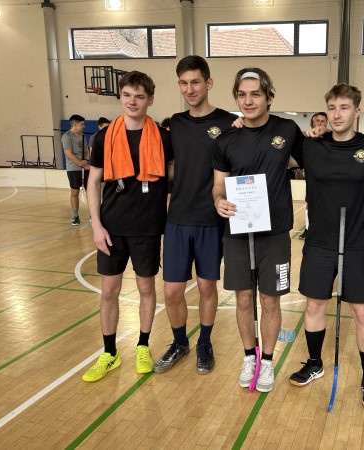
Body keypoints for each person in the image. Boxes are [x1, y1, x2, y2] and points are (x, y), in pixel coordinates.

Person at [288, 84, 364, 409]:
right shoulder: (311, 146)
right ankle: (315, 363)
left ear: (357, 111)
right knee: (314, 306)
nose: (337, 114)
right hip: (319, 243)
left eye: (344, 107)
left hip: (357, 245)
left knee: (363, 313)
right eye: (332, 108)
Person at [212, 67, 304, 392]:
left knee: (270, 300)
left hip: (275, 233)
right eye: (242, 95)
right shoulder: (226, 139)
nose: (248, 101)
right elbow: (218, 186)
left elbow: (311, 158)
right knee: (242, 298)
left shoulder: (287, 129)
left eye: (255, 94)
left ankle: (267, 361)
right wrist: (218, 201)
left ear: (268, 97)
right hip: (237, 232)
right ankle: (248, 356)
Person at [83, 71, 172, 382]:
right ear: (120, 96)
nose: (132, 102)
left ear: (150, 99)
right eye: (127, 95)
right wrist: (96, 225)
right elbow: (93, 182)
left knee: (146, 289)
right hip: (112, 228)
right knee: (109, 291)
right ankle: (109, 353)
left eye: (139, 96)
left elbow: (177, 177)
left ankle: (143, 346)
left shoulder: (163, 137)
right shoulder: (103, 137)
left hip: (148, 227)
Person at [154, 56, 237, 375]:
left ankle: (204, 341)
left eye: (195, 82)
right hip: (177, 219)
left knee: (206, 287)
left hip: (211, 220)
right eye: (184, 83)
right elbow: (164, 165)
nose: (190, 89)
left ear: (208, 83)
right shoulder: (175, 123)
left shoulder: (229, 122)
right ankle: (179, 342)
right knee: (171, 290)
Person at [298, 112, 329, 240]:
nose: (319, 123)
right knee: (310, 203)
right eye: (317, 120)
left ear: (326, 123)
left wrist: (326, 131)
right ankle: (308, 228)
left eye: (322, 121)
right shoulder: (306, 138)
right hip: (312, 179)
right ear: (312, 122)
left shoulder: (331, 137)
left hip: (329, 180)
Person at [62, 114, 88, 226]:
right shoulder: (67, 136)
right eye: (82, 124)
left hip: (85, 167)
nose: (84, 126)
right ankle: (76, 216)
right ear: (75, 124)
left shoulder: (82, 136)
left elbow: (86, 151)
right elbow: (68, 153)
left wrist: (86, 161)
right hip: (73, 168)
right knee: (75, 192)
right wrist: (79, 163)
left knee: (90, 192)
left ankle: (94, 215)